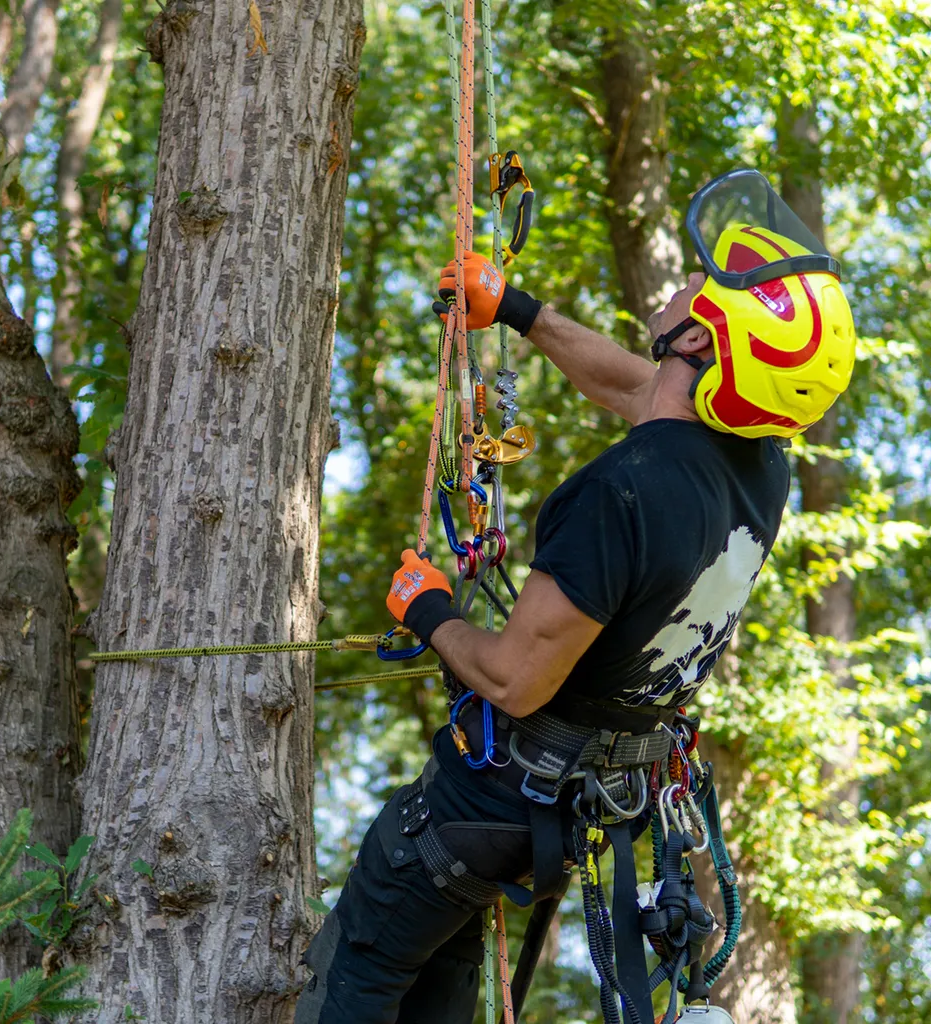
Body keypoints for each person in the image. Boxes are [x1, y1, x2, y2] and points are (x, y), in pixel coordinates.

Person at [295, 170, 857, 1024]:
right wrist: (518, 311)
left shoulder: (617, 494)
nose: (682, 286)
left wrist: (428, 608)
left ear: (702, 342)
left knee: (358, 978)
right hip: (587, 809)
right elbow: (640, 388)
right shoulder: (759, 467)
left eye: (698, 288)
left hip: (492, 804)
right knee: (441, 981)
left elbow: (517, 680)